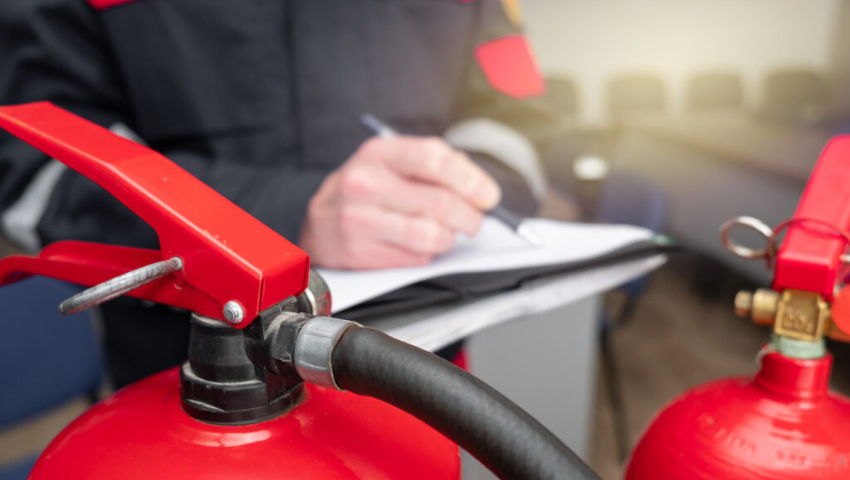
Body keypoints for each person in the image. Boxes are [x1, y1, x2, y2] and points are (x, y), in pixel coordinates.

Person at [0, 0, 557, 387]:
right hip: (188, 399)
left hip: (426, 380)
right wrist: (286, 217)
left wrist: (467, 189)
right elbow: (39, 168)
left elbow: (522, 113)